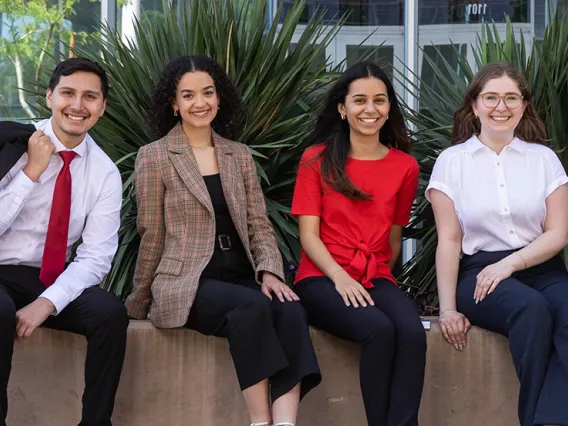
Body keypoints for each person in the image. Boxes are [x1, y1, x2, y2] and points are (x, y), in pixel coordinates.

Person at [125, 55, 321, 426]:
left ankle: (285, 423)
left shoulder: (239, 154)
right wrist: (138, 301)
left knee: (291, 309)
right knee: (250, 308)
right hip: (188, 282)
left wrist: (270, 272)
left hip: (242, 275)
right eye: (188, 95)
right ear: (174, 103)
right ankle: (259, 422)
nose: (200, 103)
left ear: (220, 97)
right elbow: (151, 233)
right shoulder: (154, 157)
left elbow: (258, 224)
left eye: (208, 93)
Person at [427, 61, 568, 426]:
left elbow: (557, 234)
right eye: (491, 97)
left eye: (510, 98)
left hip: (541, 265)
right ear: (475, 106)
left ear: (523, 106)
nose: (500, 106)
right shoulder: (451, 162)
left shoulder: (544, 160)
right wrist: (447, 309)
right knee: (532, 310)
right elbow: (449, 239)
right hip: (480, 274)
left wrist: (510, 264)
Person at [291, 62, 426, 426]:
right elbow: (308, 235)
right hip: (321, 275)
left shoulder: (405, 166)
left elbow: (394, 238)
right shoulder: (316, 159)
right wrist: (340, 277)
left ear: (389, 108)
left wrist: (379, 279)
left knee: (412, 332)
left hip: (375, 274)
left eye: (380, 100)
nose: (370, 109)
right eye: (360, 100)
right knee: (378, 330)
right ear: (342, 108)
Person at [0, 58, 128, 426]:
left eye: (90, 97)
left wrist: (47, 302)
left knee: (109, 314)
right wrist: (31, 172)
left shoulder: (104, 172)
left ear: (102, 108)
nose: (77, 105)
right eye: (68, 93)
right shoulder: (11, 144)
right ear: (49, 97)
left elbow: (96, 257)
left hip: (44, 278)